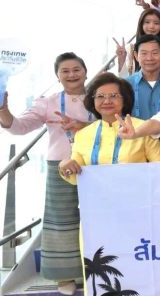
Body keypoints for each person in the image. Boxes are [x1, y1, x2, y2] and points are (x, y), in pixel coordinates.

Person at [0, 53, 93, 295]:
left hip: (96, 166)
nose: (72, 74)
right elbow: (19, 127)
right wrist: (3, 110)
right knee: (61, 221)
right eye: (65, 71)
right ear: (57, 76)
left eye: (77, 69)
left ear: (86, 72)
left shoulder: (98, 97)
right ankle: (65, 277)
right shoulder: (48, 102)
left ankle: (95, 271)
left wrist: (82, 126)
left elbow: (112, 125)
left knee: (97, 218)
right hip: (60, 167)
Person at [59, 72, 160, 180]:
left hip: (137, 189)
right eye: (100, 96)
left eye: (114, 96)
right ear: (93, 101)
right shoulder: (82, 134)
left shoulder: (143, 128)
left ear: (125, 99)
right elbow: (76, 178)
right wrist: (65, 167)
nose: (107, 101)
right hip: (96, 191)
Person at [126, 35, 160, 120]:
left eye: (155, 53)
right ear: (136, 56)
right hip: (135, 129)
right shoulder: (126, 85)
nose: (149, 58)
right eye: (144, 53)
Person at [115, 9, 160, 76]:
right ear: (141, 25)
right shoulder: (129, 49)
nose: (151, 26)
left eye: (156, 23)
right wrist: (121, 60)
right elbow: (123, 79)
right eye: (147, 22)